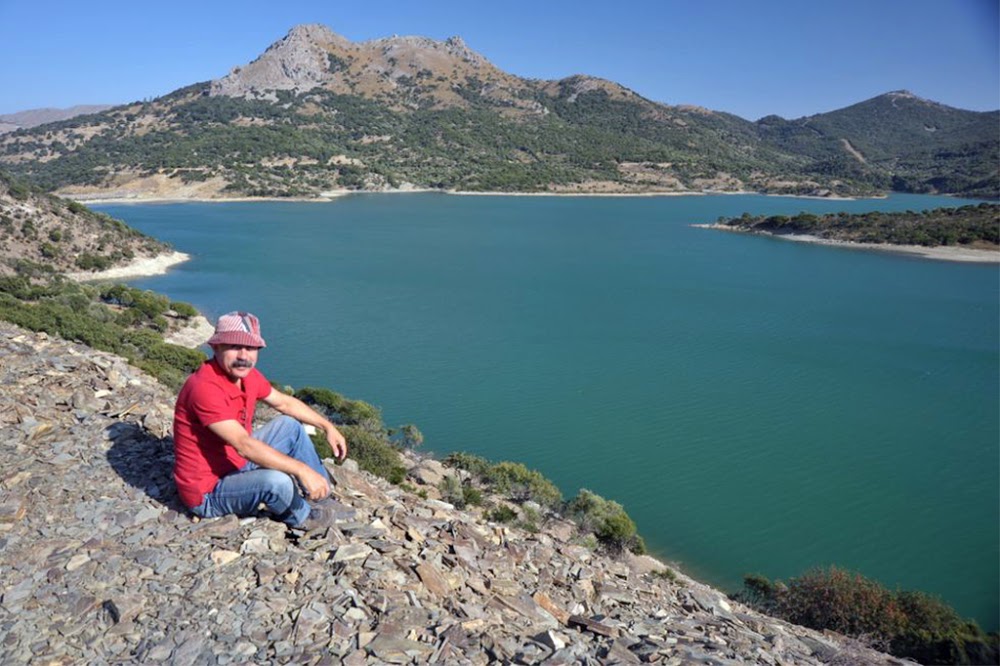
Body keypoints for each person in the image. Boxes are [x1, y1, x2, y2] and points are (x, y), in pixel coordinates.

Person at [173, 311, 348, 529]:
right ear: (216, 347)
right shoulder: (204, 388)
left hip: (234, 464)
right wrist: (301, 470)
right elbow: (244, 445)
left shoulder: (247, 376)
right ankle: (305, 518)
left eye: (251, 348)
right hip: (209, 492)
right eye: (234, 346)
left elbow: (284, 403)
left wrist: (327, 426)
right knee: (276, 481)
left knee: (290, 426)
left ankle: (322, 497)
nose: (244, 356)